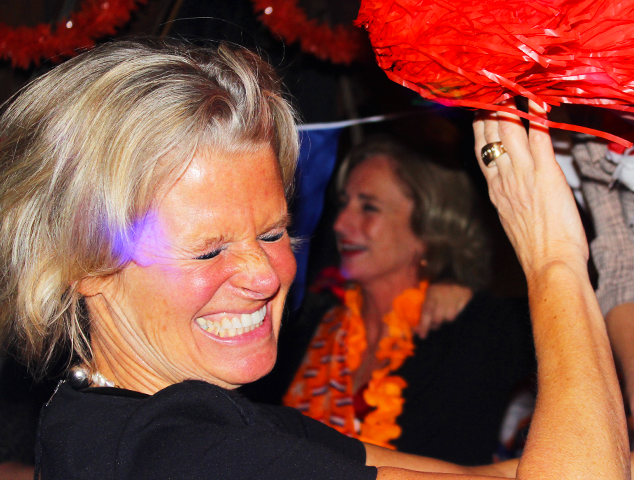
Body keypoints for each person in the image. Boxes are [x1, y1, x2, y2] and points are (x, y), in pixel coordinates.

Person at [0, 39, 627, 480]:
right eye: (209, 249)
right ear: (84, 263)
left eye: (274, 233)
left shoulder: (163, 419)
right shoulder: (179, 456)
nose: (264, 275)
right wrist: (555, 258)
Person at [284, 140, 535, 464]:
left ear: (429, 226)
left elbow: (571, 328)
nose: (340, 223)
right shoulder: (308, 324)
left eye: (369, 207)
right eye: (344, 203)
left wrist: (466, 298)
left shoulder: (476, 330)